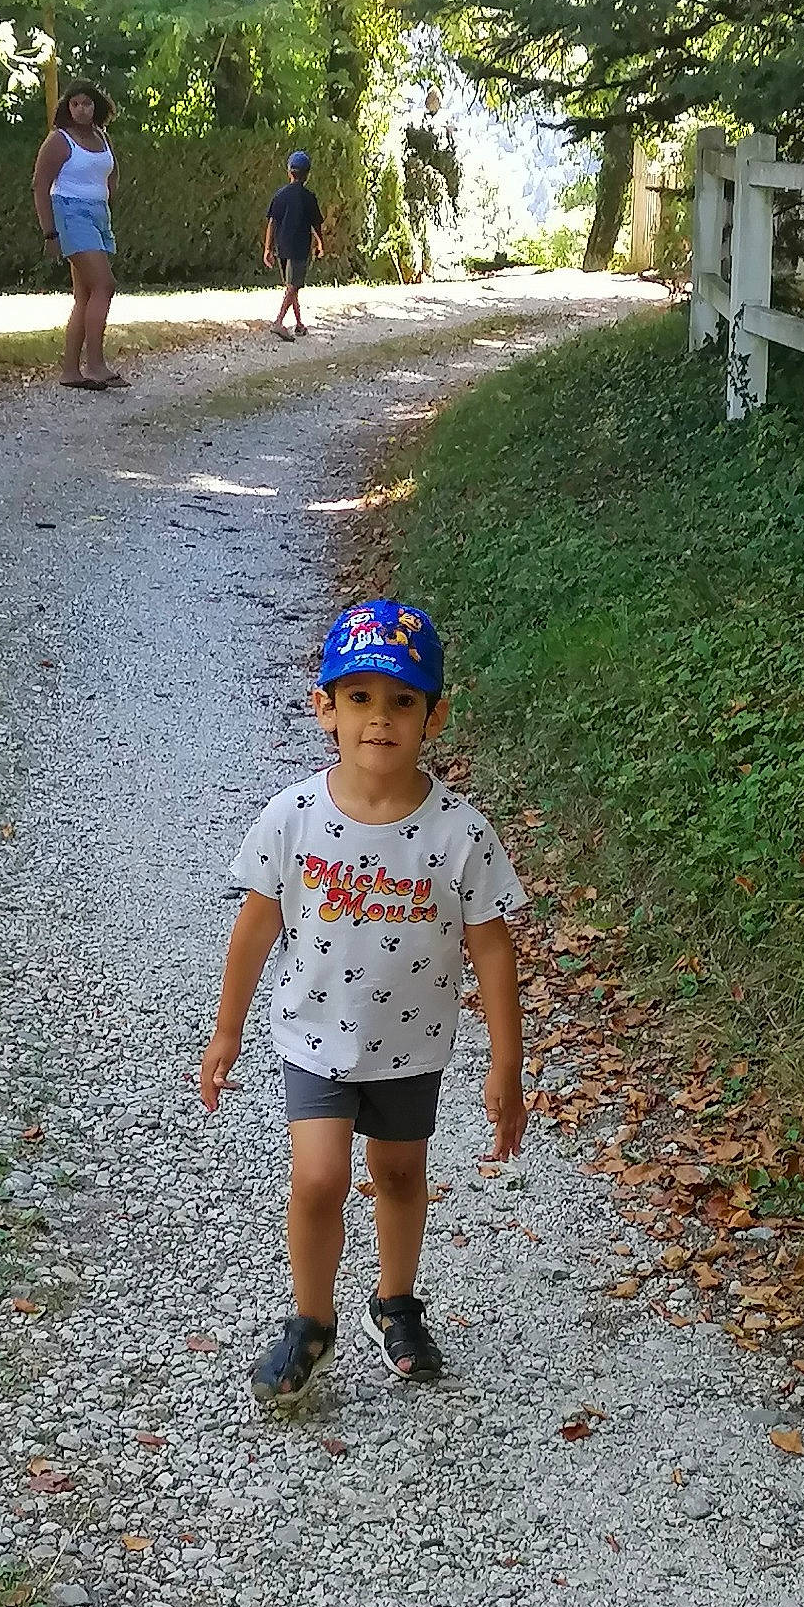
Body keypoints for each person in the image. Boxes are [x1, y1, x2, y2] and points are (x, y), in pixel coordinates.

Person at [199, 600, 528, 1404]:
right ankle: (311, 1321)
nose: (379, 719)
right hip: (315, 1036)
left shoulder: (460, 833)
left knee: (399, 1172)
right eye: (359, 698)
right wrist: (227, 1030)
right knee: (317, 1179)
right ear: (325, 708)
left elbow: (492, 948)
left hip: (411, 1043)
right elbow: (255, 927)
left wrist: (508, 1064)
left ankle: (395, 1302)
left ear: (434, 715)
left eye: (402, 701)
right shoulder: (295, 817)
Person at [31, 79, 125, 390]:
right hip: (70, 213)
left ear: (96, 106)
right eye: (75, 104)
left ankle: (71, 371)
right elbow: (40, 185)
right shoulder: (59, 141)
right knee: (104, 284)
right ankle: (96, 365)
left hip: (98, 214)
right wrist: (50, 232)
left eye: (87, 103)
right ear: (67, 108)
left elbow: (111, 173)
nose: (81, 109)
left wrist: (108, 198)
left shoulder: (101, 136)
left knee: (85, 295)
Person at [264, 149, 325, 341]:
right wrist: (321, 245)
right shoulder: (309, 197)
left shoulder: (280, 196)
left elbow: (272, 222)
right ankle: (279, 322)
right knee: (293, 286)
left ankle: (299, 324)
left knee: (292, 287)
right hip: (299, 247)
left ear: (289, 172)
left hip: (282, 246)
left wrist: (267, 248)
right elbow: (316, 225)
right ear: (308, 174)